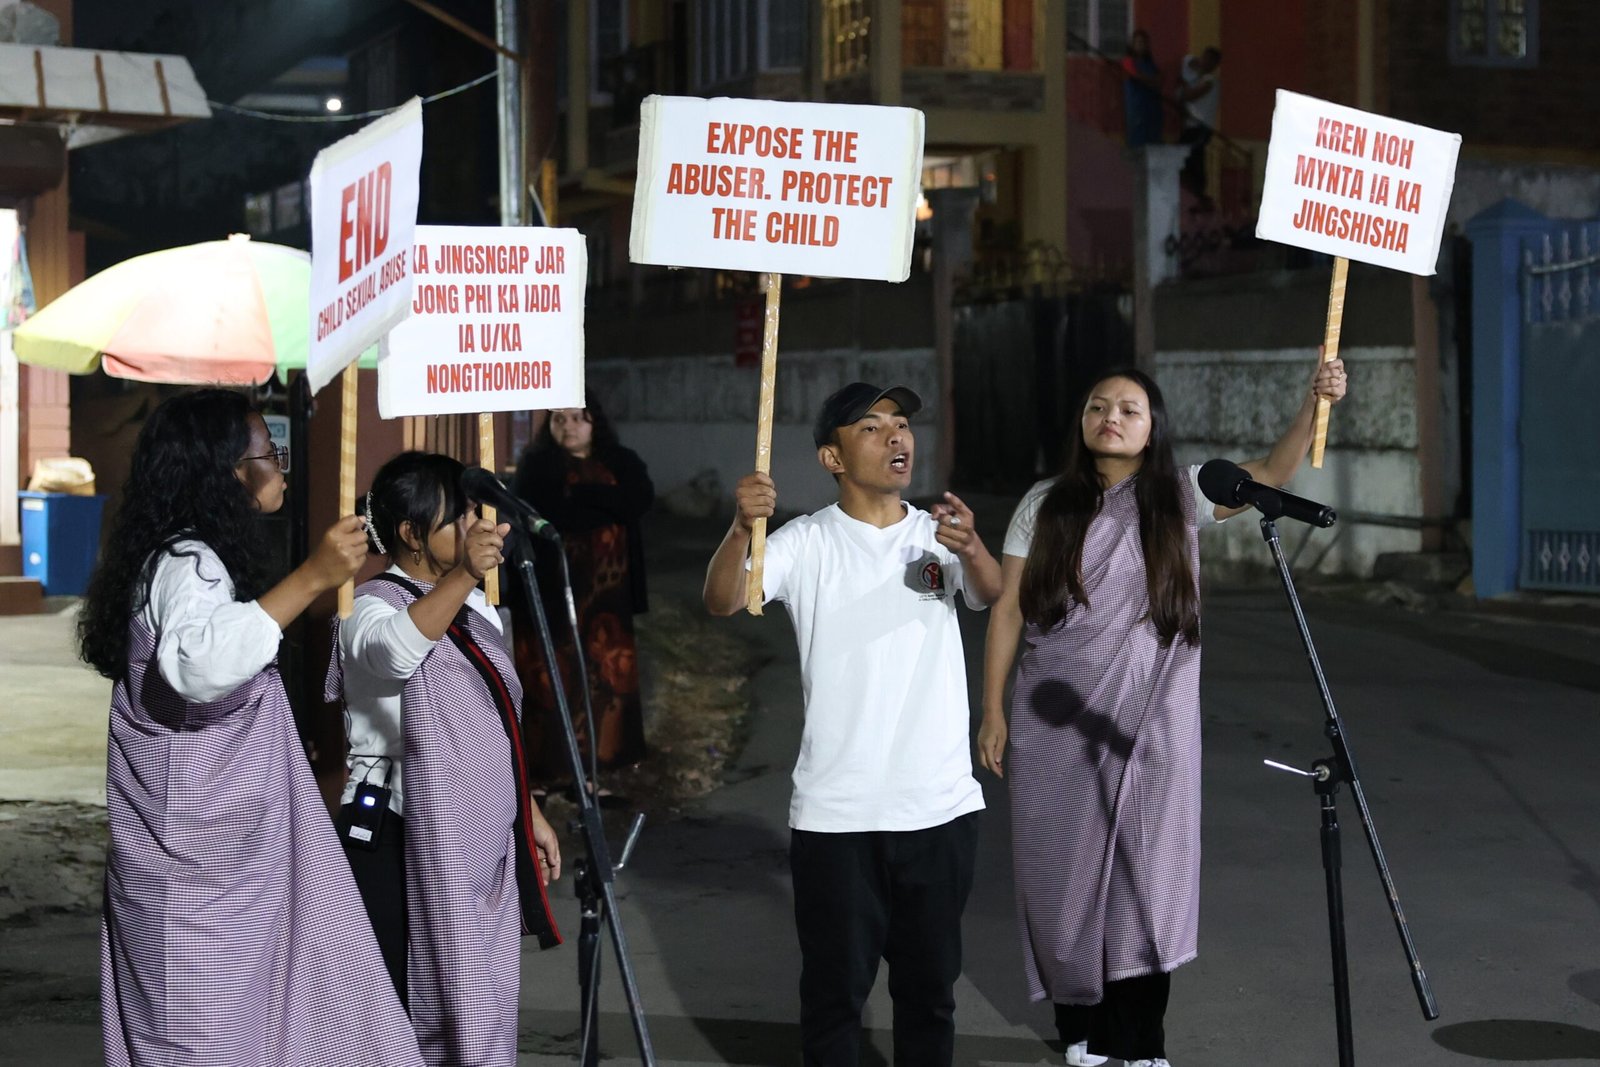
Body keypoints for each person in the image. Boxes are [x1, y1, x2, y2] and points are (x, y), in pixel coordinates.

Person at [976, 356, 1349, 1067]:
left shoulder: (1180, 494)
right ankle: (1081, 1029)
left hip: (1150, 727)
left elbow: (1274, 471)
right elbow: (1009, 612)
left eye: (1128, 409)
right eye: (1097, 406)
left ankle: (1142, 1043)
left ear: (1153, 428)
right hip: (1054, 721)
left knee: (1146, 880)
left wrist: (1313, 401)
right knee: (1062, 875)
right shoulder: (1044, 501)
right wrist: (991, 711)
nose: (1109, 418)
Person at [78, 389, 426, 1067]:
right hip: (195, 875)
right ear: (227, 472)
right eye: (270, 453)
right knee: (201, 1034)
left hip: (225, 862)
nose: (281, 468)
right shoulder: (186, 563)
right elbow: (200, 665)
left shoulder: (193, 559)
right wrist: (312, 577)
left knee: (263, 1020)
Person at [704, 382, 1002, 1066]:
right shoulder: (805, 542)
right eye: (871, 427)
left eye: (902, 424)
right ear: (832, 457)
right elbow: (723, 599)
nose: (896, 437)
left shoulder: (935, 535)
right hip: (837, 815)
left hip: (938, 806)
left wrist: (974, 548)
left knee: (930, 994)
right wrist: (740, 526)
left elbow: (988, 592)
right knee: (834, 996)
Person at [328, 450, 563, 1066]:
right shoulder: (367, 605)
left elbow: (493, 721)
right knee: (396, 1014)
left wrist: (527, 808)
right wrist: (462, 576)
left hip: (474, 838)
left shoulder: (476, 605)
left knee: (474, 1000)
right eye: (457, 516)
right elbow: (395, 652)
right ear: (411, 533)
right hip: (394, 832)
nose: (472, 526)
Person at [511, 392, 653, 790]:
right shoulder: (537, 466)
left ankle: (596, 771)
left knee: (603, 679)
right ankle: (547, 773)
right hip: (552, 592)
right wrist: (603, 504)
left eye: (577, 418)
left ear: (594, 422)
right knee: (552, 678)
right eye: (559, 420)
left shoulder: (621, 460)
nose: (568, 427)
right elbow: (551, 512)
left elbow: (637, 500)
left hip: (607, 595)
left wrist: (581, 495)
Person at [1178, 46, 1222, 203]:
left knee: (1195, 160)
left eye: (1208, 59)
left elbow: (1190, 95)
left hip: (1201, 127)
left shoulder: (1210, 81)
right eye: (1203, 58)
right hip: (1192, 126)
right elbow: (1188, 61)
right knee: (1189, 159)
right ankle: (1192, 195)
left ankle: (1198, 195)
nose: (1203, 62)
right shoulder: (1198, 79)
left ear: (1214, 64)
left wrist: (1184, 87)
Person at [1121, 29, 1165, 148]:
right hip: (1137, 110)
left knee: (1153, 146)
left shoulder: (1150, 64)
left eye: (1144, 43)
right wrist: (1150, 81)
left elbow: (1159, 81)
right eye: (1139, 42)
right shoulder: (1128, 61)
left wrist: (1150, 81)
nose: (1142, 46)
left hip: (1153, 110)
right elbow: (1136, 76)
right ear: (1133, 44)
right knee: (1138, 146)